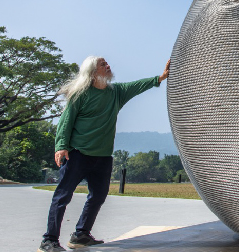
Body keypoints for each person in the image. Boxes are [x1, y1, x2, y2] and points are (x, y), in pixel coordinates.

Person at [38, 56, 170, 252]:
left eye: (107, 62)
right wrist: (61, 146)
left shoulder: (115, 93)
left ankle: (81, 234)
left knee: (98, 195)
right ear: (93, 72)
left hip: (103, 156)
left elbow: (136, 86)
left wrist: (160, 78)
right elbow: (66, 121)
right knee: (63, 196)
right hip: (78, 154)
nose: (108, 65)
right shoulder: (80, 94)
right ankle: (48, 240)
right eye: (103, 64)